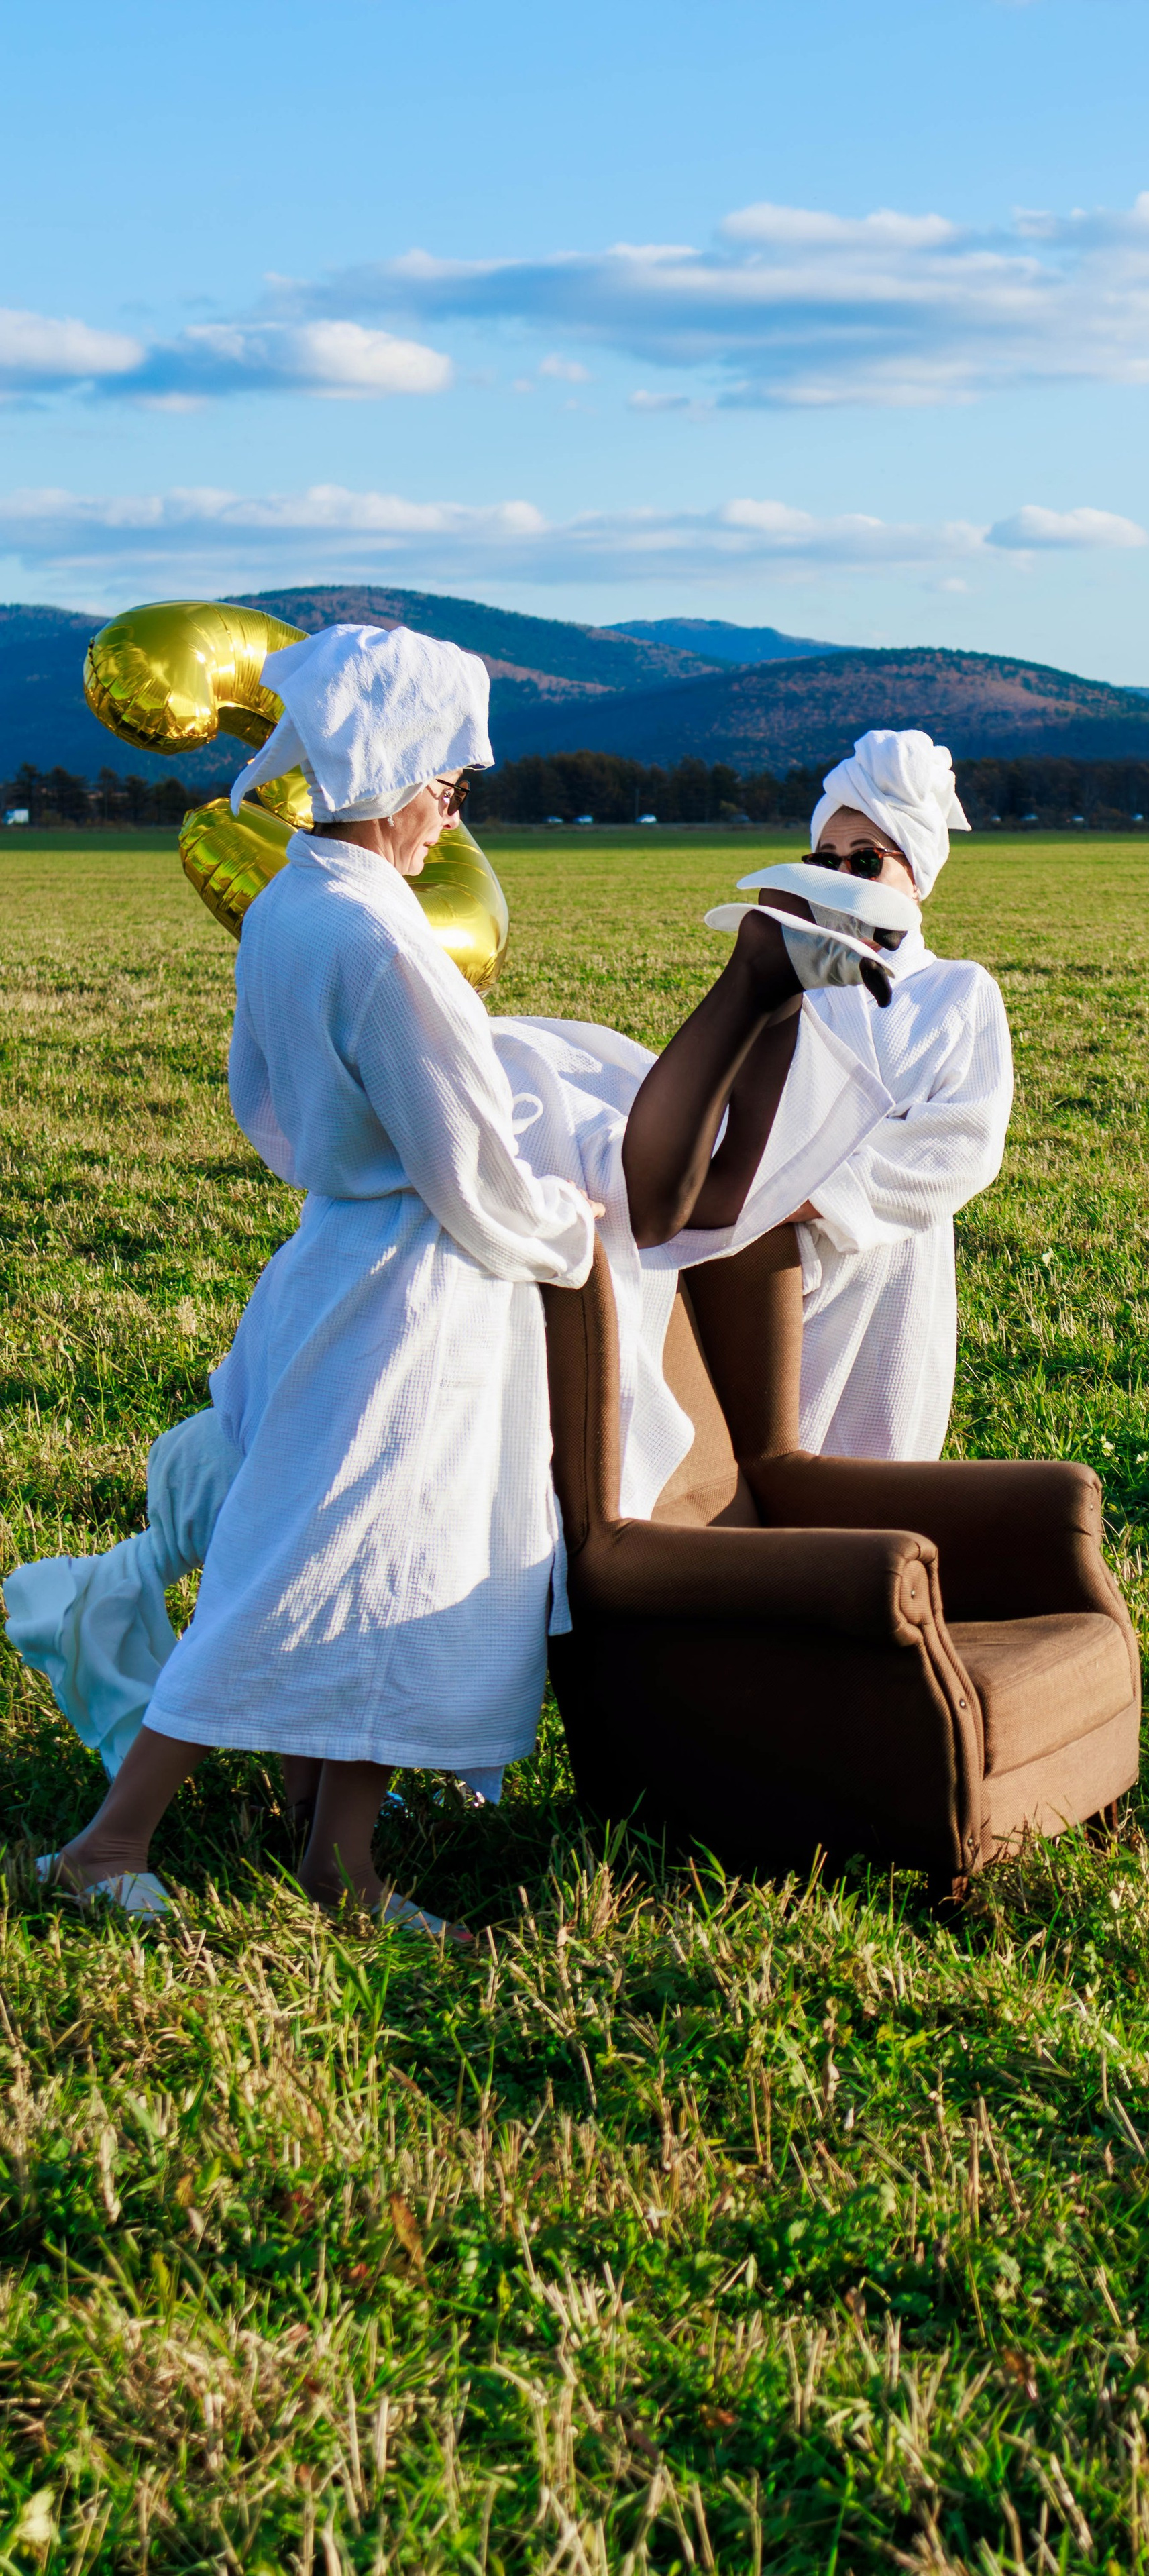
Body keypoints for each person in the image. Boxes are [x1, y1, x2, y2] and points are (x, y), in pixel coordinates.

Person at [22, 623, 883, 1931]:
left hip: (346, 1266)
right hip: (412, 1303)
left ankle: (343, 1865)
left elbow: (276, 1109)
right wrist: (572, 1237)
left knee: (394, 1574)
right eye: (446, 784)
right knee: (311, 1573)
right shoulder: (380, 943)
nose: (447, 815)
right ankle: (105, 1846)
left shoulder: (292, 908)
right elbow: (467, 1160)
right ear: (394, 767)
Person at [781, 729, 1015, 1460]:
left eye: (865, 861)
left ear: (913, 873)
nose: (842, 874)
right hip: (782, 1258)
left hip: (894, 1266)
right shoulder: (787, 977)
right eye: (825, 860)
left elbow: (961, 1143)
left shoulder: (958, 990)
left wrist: (814, 1190)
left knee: (880, 1453)